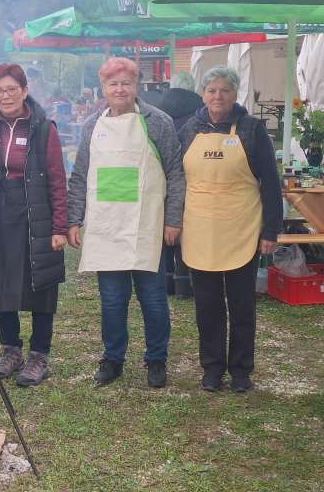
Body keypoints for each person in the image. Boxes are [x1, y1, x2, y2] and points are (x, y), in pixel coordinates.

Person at [67, 57, 184, 389]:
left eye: (126, 83)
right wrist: (74, 218)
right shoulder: (93, 125)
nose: (120, 89)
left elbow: (175, 172)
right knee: (113, 299)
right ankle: (113, 358)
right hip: (107, 227)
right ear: (103, 88)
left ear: (137, 86)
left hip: (147, 225)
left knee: (153, 297)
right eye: (113, 84)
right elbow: (80, 176)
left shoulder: (157, 121)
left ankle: (156, 359)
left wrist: (173, 219)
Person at [179, 65, 282, 393]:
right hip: (199, 229)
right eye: (211, 90)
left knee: (241, 306)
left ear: (235, 94)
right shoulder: (189, 129)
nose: (217, 96)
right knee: (206, 306)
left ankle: (240, 371)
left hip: (242, 228)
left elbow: (270, 184)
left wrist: (270, 231)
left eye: (224, 90)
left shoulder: (252, 129)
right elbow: (177, 180)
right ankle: (211, 369)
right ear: (203, 94)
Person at [0, 63, 68, 387]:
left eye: (12, 89)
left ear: (24, 91)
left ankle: (39, 355)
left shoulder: (43, 128)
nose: (6, 95)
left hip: (33, 215)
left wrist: (58, 226)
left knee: (40, 284)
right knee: (0, 284)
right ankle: (10, 350)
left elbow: (56, 177)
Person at [157, 75, 204, 299]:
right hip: (193, 175)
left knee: (164, 227)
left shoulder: (159, 109)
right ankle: (184, 283)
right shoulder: (200, 111)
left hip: (162, 175)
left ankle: (166, 281)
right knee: (187, 230)